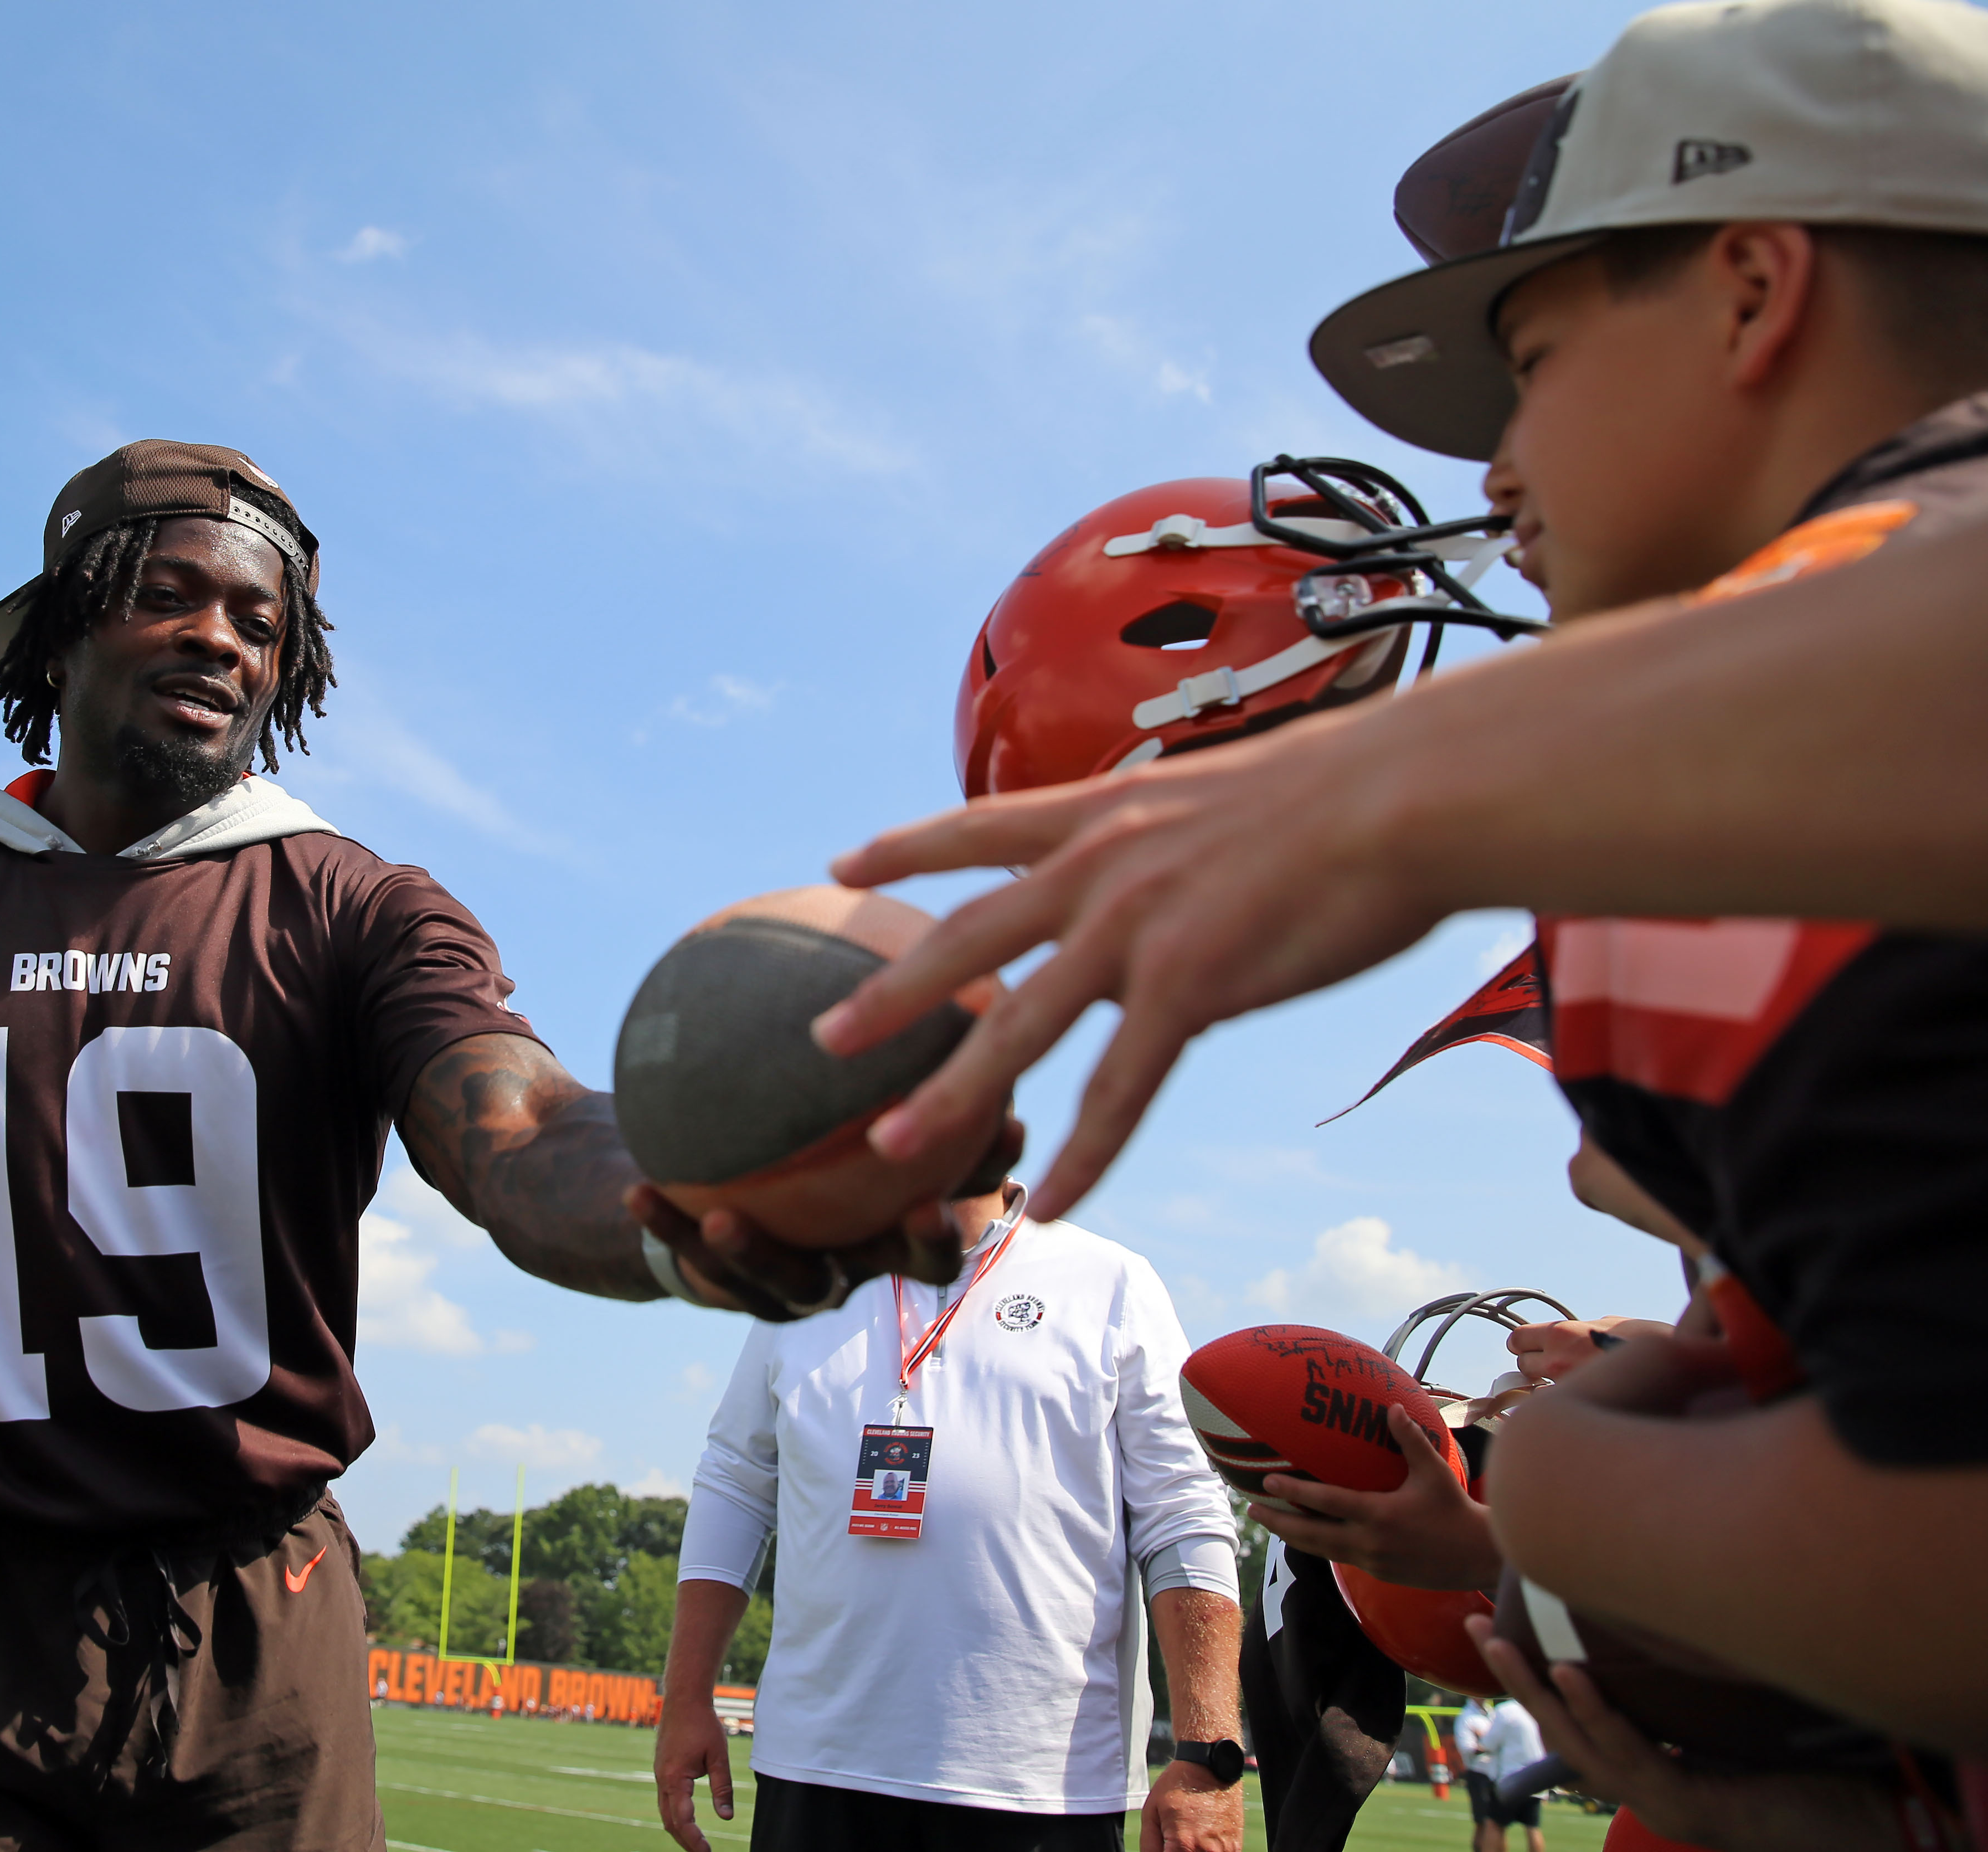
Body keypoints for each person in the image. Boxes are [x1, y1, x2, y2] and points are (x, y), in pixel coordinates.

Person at [813, 0, 1988, 1763]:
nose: (1495, 467)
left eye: (1533, 361)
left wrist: (1574, 1509)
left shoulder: (1708, 832)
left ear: (1754, 292)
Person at [0, 440, 980, 1852]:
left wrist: (673, 1199)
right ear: (67, 614)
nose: (222, 634)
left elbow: (511, 1123)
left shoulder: (355, 906)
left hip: (253, 1628)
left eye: (261, 620)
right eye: (168, 592)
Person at [652, 1177, 1243, 1852]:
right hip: (817, 1766)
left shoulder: (1111, 1281)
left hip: (1043, 1783)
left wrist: (1208, 1748)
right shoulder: (801, 1284)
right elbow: (736, 1483)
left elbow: (1184, 1512)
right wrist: (686, 1693)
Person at [1481, 1697, 1547, 1852]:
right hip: (1537, 1777)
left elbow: (1489, 1743)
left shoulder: (1506, 1710)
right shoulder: (1541, 1706)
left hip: (1510, 1778)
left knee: (1495, 1825)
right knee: (1533, 1827)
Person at [1455, 1697, 1498, 1852]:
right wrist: (1490, 1745)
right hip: (1478, 1773)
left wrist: (1486, 1742)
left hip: (1495, 1774)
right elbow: (1467, 1748)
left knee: (1496, 1823)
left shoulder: (1492, 1713)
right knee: (1483, 1822)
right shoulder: (1467, 1717)